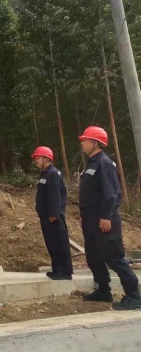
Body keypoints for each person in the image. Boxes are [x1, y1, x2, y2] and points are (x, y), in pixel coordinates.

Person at [79, 126, 141, 310]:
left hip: (105, 219)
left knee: (114, 258)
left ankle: (135, 295)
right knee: (94, 256)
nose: (82, 143)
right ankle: (103, 290)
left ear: (95, 143)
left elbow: (111, 194)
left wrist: (106, 216)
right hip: (91, 220)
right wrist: (84, 216)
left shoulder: (104, 163)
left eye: (85, 140)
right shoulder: (91, 163)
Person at [33, 146, 73, 281]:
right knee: (52, 244)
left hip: (53, 216)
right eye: (36, 158)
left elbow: (55, 195)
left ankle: (65, 272)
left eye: (38, 158)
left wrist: (54, 214)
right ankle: (58, 270)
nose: (36, 160)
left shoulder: (53, 173)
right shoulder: (45, 174)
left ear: (47, 158)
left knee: (59, 243)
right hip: (46, 215)